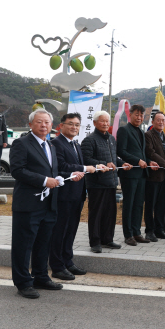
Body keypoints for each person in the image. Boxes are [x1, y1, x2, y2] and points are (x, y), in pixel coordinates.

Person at [10, 109, 79, 299]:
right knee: (24, 245)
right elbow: (17, 170)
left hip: (49, 203)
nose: (43, 125)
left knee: (43, 243)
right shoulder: (21, 143)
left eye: (47, 122)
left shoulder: (51, 145)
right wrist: (43, 180)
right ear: (31, 124)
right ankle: (23, 282)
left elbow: (54, 170)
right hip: (29, 203)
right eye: (39, 122)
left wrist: (68, 177)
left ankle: (40, 276)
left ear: (52, 125)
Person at [49, 113, 98, 281]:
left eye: (77, 124)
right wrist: (85, 168)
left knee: (71, 230)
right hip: (63, 195)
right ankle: (57, 266)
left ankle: (67, 261)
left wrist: (93, 167)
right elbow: (61, 166)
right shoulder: (56, 143)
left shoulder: (76, 144)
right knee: (59, 231)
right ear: (61, 125)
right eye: (70, 124)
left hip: (77, 194)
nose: (74, 127)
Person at [82, 111, 127, 254]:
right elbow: (86, 160)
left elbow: (113, 160)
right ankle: (95, 242)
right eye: (102, 121)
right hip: (96, 183)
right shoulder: (89, 140)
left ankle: (107, 239)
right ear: (95, 123)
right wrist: (103, 163)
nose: (106, 124)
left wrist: (123, 163)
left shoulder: (111, 139)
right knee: (96, 214)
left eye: (108, 121)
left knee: (110, 213)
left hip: (111, 182)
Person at [117, 104, 156, 246]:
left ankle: (137, 232)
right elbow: (121, 151)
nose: (139, 118)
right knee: (129, 204)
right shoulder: (124, 130)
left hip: (142, 174)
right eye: (136, 115)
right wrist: (137, 161)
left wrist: (149, 161)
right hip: (129, 173)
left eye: (141, 115)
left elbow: (143, 153)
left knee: (139, 204)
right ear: (130, 115)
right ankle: (128, 235)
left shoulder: (141, 131)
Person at [144, 112, 165, 241]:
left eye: (163, 120)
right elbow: (151, 153)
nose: (161, 122)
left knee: (161, 205)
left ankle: (159, 229)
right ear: (153, 122)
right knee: (150, 205)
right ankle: (149, 231)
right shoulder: (148, 135)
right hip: (153, 176)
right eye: (158, 120)